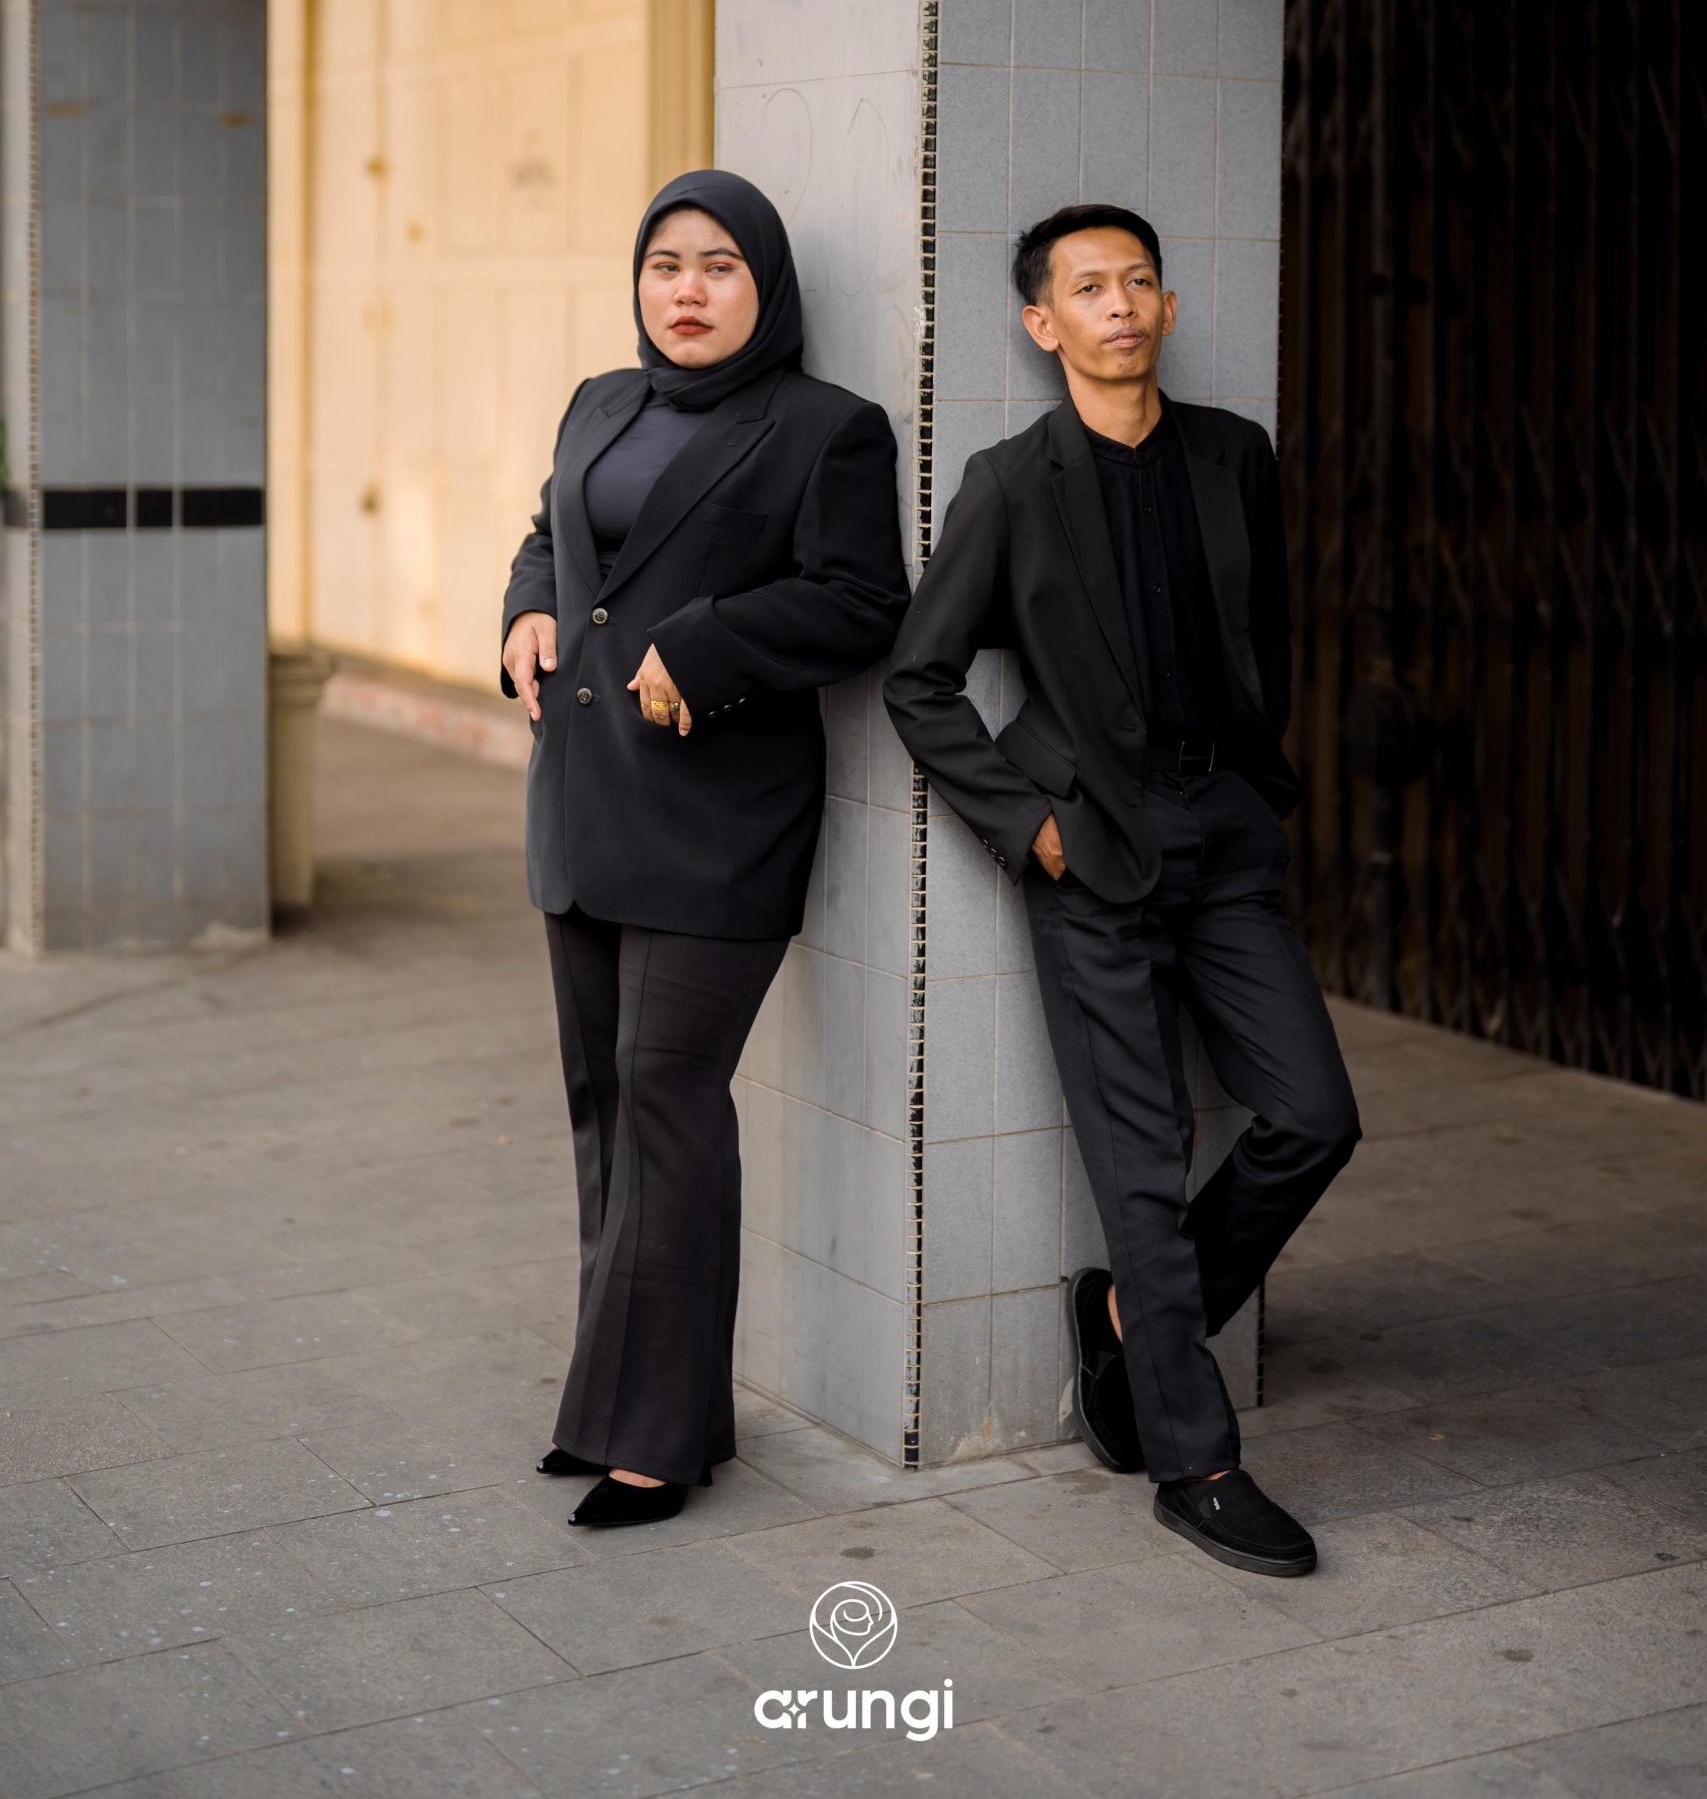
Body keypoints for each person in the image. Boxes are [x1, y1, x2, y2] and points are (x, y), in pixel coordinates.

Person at [883, 203, 1362, 1580]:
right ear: (1044, 324)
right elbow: (920, 681)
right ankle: (1193, 1462)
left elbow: (1266, 635)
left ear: (1166, 305)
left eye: (1139, 280)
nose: (1121, 304)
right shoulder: (1011, 483)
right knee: (1141, 1167)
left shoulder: (1233, 454)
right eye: (1088, 287)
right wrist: (1030, 828)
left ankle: (1127, 1328)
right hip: (1091, 844)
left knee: (1315, 1117)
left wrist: (1260, 792)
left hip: (1224, 834)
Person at [500, 168, 910, 1529]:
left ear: (766, 285)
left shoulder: (825, 430)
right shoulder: (599, 403)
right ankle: (613, 1406)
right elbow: (550, 537)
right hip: (584, 802)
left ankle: (658, 1440)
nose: (687, 291)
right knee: (604, 1110)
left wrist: (712, 645)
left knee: (669, 1101)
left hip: (719, 821)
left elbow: (863, 601)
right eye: (665, 264)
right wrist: (524, 613)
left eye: (720, 266)